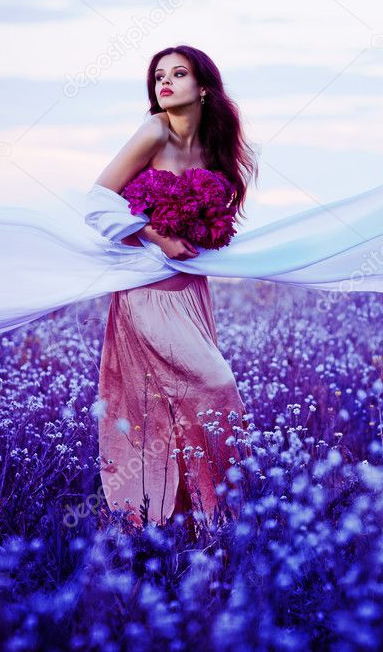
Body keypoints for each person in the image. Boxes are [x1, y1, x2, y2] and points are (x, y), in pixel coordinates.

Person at [91, 45, 258, 530]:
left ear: (203, 87)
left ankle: (192, 520)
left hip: (190, 290)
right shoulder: (154, 131)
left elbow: (217, 222)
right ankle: (226, 510)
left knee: (176, 401)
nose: (164, 82)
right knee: (215, 384)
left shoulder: (214, 147)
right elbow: (97, 201)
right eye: (158, 76)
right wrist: (155, 233)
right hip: (147, 288)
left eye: (178, 74)